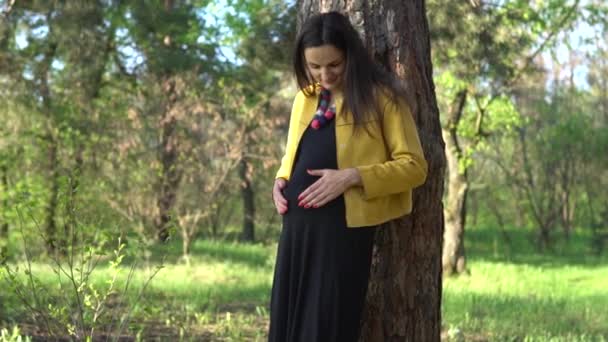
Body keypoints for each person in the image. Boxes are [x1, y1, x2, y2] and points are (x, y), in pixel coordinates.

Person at [268, 11, 428, 342]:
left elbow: (415, 166)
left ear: (350, 56)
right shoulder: (305, 99)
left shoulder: (383, 98)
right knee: (289, 327)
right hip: (297, 231)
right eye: (314, 66)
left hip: (342, 233)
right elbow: (291, 155)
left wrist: (352, 177)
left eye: (334, 65)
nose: (324, 74)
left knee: (327, 327)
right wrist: (280, 181)